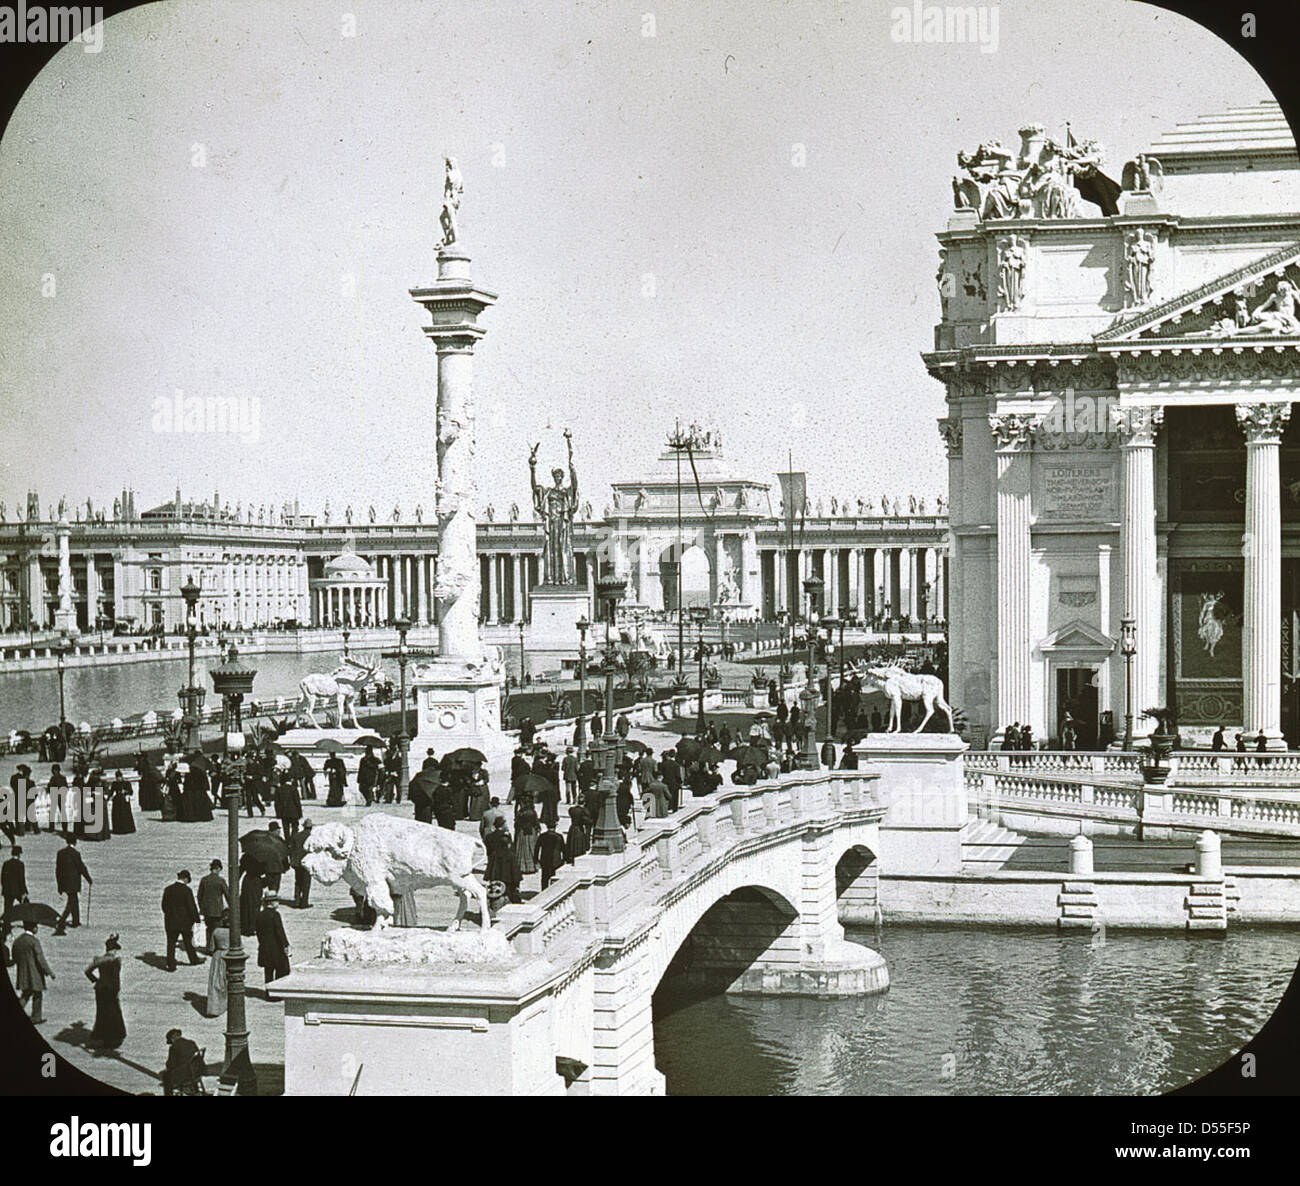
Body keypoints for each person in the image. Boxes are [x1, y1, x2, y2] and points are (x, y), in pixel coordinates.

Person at [85, 934, 126, 1049]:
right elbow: (115, 978)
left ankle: (102, 1036)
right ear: (114, 949)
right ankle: (112, 1038)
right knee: (113, 1013)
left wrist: (96, 980)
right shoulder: (115, 961)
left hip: (99, 989)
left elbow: (87, 971)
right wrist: (117, 991)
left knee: (102, 1012)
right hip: (111, 989)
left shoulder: (99, 960)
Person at [13, 919, 53, 1025]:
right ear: (33, 927)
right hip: (35, 972)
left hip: (22, 971)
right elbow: (40, 958)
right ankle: (36, 1017)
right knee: (37, 994)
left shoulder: (18, 940)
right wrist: (49, 972)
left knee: (26, 994)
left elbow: (14, 955)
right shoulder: (34, 941)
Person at [162, 870, 203, 971]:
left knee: (171, 943)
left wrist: (170, 915)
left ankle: (171, 964)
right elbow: (191, 906)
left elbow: (164, 906)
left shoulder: (168, 889)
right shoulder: (186, 890)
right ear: (185, 879)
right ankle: (193, 959)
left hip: (170, 922)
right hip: (185, 922)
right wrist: (196, 919)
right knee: (188, 942)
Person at [54, 836, 91, 935]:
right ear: (75, 842)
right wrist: (88, 878)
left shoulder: (60, 853)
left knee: (74, 900)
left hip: (64, 882)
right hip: (73, 882)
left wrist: (59, 885)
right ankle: (62, 921)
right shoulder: (75, 854)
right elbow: (81, 867)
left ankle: (76, 921)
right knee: (71, 902)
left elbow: (58, 870)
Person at [256, 893, 291, 985]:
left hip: (264, 947)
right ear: (271, 902)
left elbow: (258, 932)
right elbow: (279, 931)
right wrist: (285, 944)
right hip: (276, 948)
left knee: (268, 972)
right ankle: (276, 992)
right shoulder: (275, 915)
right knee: (280, 970)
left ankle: (268, 993)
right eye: (276, 900)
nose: (278, 902)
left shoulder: (260, 915)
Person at [484, 817, 521, 903]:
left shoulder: (489, 836)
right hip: (507, 869)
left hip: (495, 865)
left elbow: (487, 850)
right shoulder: (506, 836)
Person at [197, 859, 230, 952]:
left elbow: (199, 896)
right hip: (217, 910)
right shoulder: (220, 881)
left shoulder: (204, 880)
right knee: (216, 929)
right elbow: (227, 895)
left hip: (206, 910)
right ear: (218, 868)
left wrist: (201, 907)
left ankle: (208, 947)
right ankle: (214, 948)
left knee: (209, 929)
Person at [161, 1028, 203, 1095]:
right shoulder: (192, 1043)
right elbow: (198, 1060)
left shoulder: (174, 1047)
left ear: (173, 1038)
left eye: (171, 1041)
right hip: (196, 1073)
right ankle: (196, 1089)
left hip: (184, 1075)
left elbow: (170, 1064)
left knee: (165, 1075)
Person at [204, 914, 230, 1018]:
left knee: (215, 981)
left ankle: (214, 1008)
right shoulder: (233, 932)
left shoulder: (216, 931)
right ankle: (225, 1004)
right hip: (229, 956)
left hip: (218, 956)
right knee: (226, 981)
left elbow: (211, 947)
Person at [290, 819, 314, 907]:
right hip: (307, 863)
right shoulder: (312, 837)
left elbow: (292, 849)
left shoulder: (297, 836)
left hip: (297, 863)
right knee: (306, 883)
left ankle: (296, 900)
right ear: (311, 827)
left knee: (298, 881)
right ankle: (304, 902)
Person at [274, 767, 302, 840]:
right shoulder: (293, 789)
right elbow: (297, 802)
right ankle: (293, 840)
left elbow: (276, 803)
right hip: (294, 812)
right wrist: (300, 813)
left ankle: (288, 841)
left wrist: (278, 813)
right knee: (295, 827)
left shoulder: (279, 789)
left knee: (286, 829)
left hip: (283, 812)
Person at [536, 822, 566, 889]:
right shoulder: (559, 836)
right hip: (556, 861)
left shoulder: (542, 836)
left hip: (545, 860)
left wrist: (536, 860)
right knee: (554, 878)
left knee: (544, 878)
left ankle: (544, 892)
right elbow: (563, 849)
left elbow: (537, 848)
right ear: (555, 827)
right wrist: (564, 860)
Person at [515, 804, 541, 878]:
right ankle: (532, 866)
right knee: (532, 849)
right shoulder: (533, 812)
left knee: (522, 849)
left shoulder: (520, 812)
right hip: (531, 832)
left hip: (522, 833)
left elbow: (517, 824)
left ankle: (522, 867)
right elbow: (536, 823)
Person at [3, 844, 28, 917]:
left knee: (7, 909)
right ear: (19, 854)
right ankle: (29, 925)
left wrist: (5, 888)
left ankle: (6, 927)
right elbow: (21, 879)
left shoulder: (6, 863)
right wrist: (24, 891)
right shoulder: (20, 864)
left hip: (7, 890)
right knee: (26, 907)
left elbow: (3, 878)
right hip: (18, 890)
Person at [238, 860, 263, 936]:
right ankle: (253, 926)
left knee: (246, 904)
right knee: (255, 904)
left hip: (247, 881)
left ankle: (245, 926)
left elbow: (240, 871)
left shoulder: (246, 858)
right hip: (256, 882)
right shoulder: (263, 858)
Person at [108, 770, 136, 835]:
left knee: (125, 814)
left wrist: (126, 792)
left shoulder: (126, 783)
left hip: (124, 800)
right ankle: (118, 829)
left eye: (119, 777)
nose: (118, 779)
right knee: (117, 814)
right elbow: (111, 792)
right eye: (117, 777)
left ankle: (127, 828)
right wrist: (108, 798)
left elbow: (131, 792)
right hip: (117, 801)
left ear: (121, 777)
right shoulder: (114, 783)